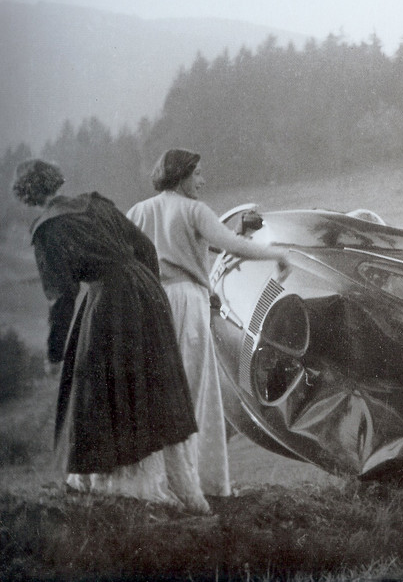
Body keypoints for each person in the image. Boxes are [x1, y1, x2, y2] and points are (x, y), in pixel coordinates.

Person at [11, 158, 209, 514]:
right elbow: (146, 248)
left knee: (100, 389)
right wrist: (150, 295)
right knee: (149, 386)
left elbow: (62, 298)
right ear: (56, 180)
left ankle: (126, 488)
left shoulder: (47, 229)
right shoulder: (96, 203)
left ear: (26, 195)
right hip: (146, 291)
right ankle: (172, 485)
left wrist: (54, 354)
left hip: (109, 301)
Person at [126, 148, 291, 497]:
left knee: (157, 390)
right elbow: (229, 244)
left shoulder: (139, 211)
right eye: (197, 173)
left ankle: (159, 481)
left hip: (149, 303)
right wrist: (277, 253)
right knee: (194, 388)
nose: (202, 180)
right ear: (182, 175)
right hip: (186, 300)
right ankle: (199, 483)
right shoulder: (194, 210)